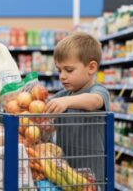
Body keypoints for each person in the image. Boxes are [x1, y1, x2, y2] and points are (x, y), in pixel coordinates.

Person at [44, 31, 110, 182]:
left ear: (91, 68)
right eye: (59, 70)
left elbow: (94, 101)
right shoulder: (61, 96)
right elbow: (46, 118)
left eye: (69, 70)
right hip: (65, 171)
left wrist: (67, 102)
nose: (62, 76)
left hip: (92, 173)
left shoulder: (98, 91)